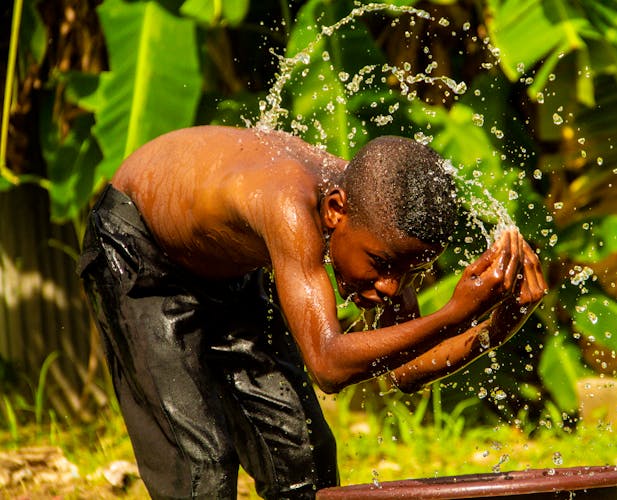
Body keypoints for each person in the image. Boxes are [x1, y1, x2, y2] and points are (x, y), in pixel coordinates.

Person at [78, 125, 547, 500]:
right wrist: (455, 312)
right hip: (139, 250)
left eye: (409, 274)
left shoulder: (384, 225)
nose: (390, 288)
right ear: (335, 212)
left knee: (305, 455)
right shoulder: (289, 205)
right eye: (381, 266)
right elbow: (328, 365)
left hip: (227, 270)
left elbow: (402, 372)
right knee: (201, 465)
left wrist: (497, 325)